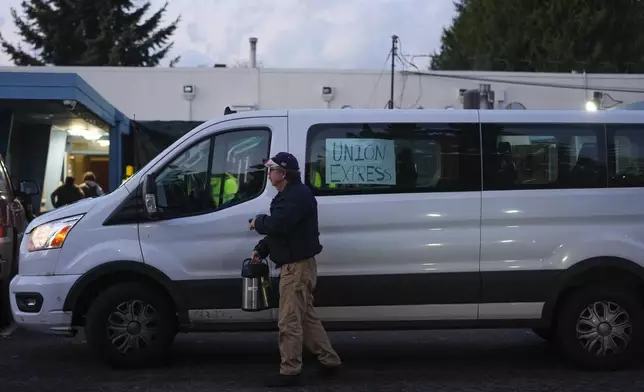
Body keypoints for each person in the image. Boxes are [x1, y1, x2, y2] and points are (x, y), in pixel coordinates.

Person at [249, 152, 342, 387]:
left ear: (284, 174)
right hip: (298, 266)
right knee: (306, 319)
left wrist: (258, 222)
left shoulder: (294, 197)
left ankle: (290, 371)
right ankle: (329, 361)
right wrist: (262, 248)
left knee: (289, 321)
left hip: (296, 269)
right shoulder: (289, 195)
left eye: (272, 170)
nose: (269, 174)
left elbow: (278, 224)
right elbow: (282, 231)